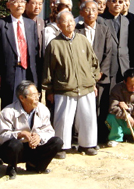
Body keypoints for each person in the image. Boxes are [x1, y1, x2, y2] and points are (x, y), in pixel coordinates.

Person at [43, 11, 100, 158]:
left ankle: (88, 144)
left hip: (86, 87)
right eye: (65, 22)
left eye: (71, 21)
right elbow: (48, 69)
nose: (70, 24)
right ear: (59, 25)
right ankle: (61, 146)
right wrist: (49, 90)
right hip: (64, 88)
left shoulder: (83, 40)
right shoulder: (54, 44)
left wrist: (92, 81)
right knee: (63, 120)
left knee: (88, 118)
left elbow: (93, 62)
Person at [0, 81, 63, 179]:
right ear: (22, 98)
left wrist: (39, 136)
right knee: (15, 145)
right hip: (17, 149)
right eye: (33, 95)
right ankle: (12, 167)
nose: (37, 98)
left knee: (57, 142)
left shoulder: (43, 109)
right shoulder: (8, 112)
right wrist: (20, 134)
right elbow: (2, 136)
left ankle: (35, 165)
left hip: (33, 147)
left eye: (38, 94)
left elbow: (49, 131)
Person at [0, 0, 38, 108]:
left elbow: (35, 50)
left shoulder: (31, 24)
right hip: (10, 71)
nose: (20, 5)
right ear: (8, 5)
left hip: (28, 70)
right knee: (10, 104)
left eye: (22, 2)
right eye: (16, 2)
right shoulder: (1, 24)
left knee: (28, 102)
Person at [75, 0, 113, 143]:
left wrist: (100, 73)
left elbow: (108, 53)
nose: (91, 13)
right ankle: (82, 136)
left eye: (94, 10)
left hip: (100, 77)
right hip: (82, 77)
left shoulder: (104, 29)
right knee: (84, 108)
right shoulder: (77, 30)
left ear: (98, 12)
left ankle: (100, 136)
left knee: (100, 107)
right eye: (87, 10)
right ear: (81, 13)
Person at [100, 0, 131, 85]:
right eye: (114, 1)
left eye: (120, 2)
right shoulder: (100, 20)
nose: (117, 4)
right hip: (107, 66)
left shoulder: (126, 21)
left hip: (123, 66)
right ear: (108, 3)